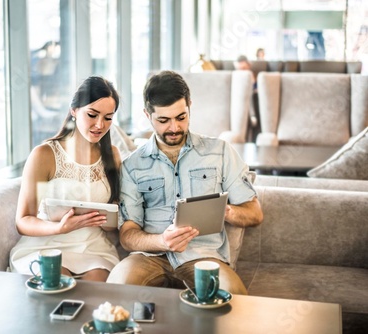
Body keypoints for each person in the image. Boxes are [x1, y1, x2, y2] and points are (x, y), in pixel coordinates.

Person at [106, 71, 263, 294]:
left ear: (189, 105)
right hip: (150, 257)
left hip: (204, 256)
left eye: (181, 117)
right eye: (163, 120)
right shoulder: (132, 165)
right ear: (147, 115)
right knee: (116, 289)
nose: (174, 128)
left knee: (234, 299)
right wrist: (162, 241)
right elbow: (128, 235)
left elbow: (255, 213)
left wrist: (224, 211)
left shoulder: (220, 152)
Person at [10, 76, 122, 282]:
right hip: (48, 242)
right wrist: (59, 228)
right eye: (92, 114)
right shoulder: (44, 154)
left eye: (108, 117)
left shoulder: (112, 155)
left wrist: (109, 221)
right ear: (74, 110)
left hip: (92, 247)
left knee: (95, 291)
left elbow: (115, 211)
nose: (100, 125)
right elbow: (23, 220)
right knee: (59, 283)